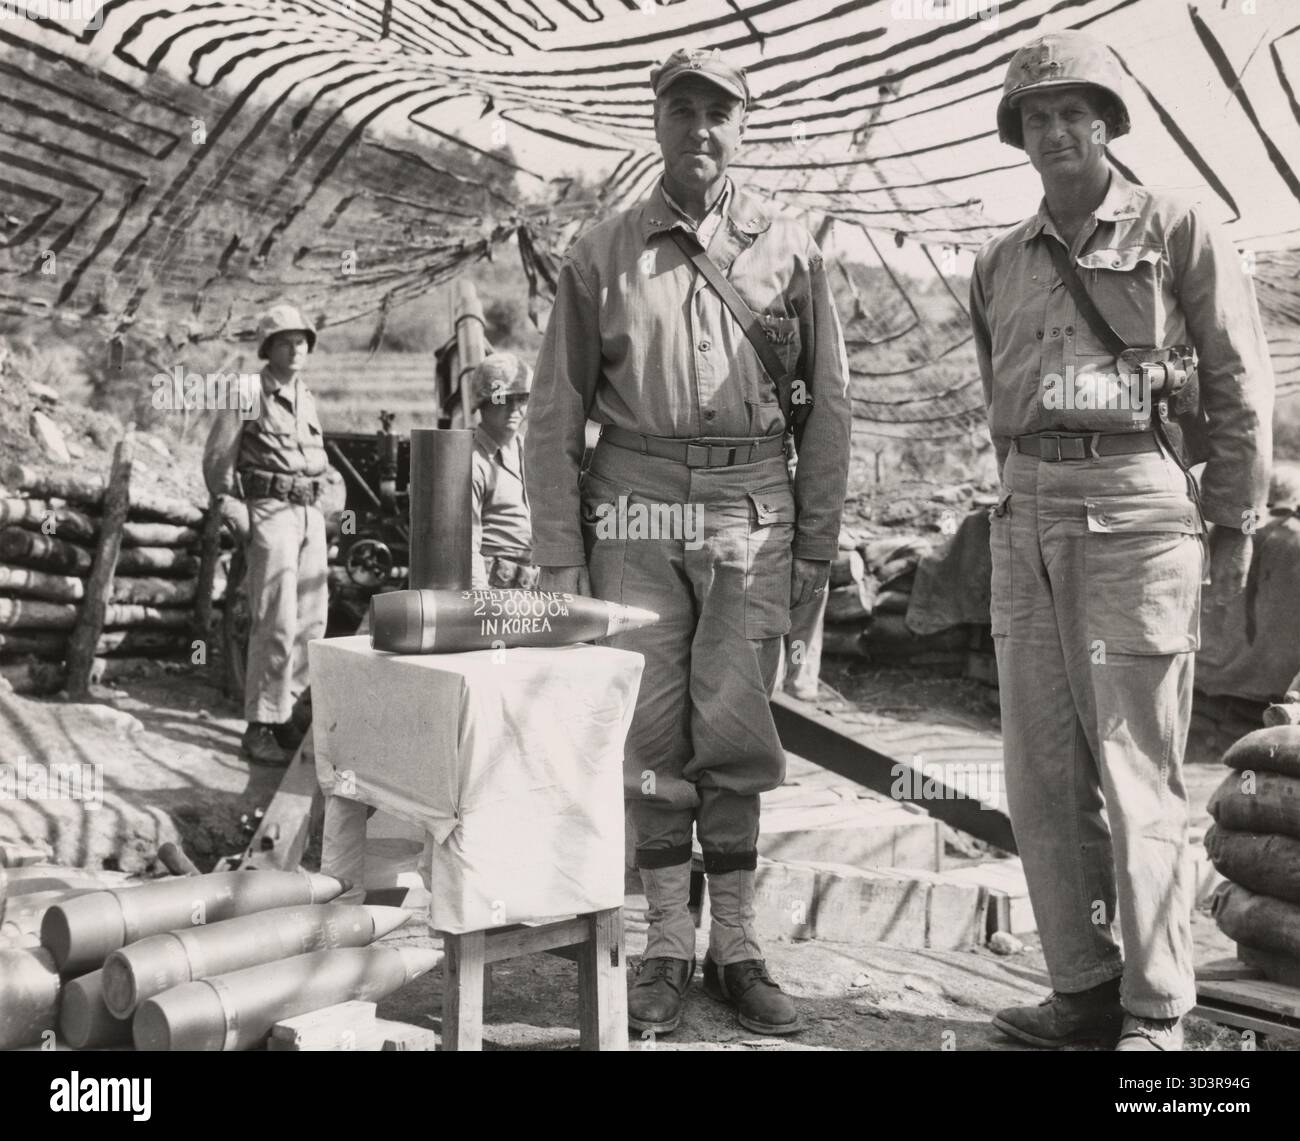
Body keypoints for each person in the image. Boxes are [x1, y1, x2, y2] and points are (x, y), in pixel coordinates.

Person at [524, 46, 852, 1036]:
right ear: (656, 121)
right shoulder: (602, 252)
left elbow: (827, 408)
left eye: (719, 112)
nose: (699, 128)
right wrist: (558, 556)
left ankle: (738, 946)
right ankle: (666, 942)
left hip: (752, 503)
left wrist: (815, 553)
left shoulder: (790, 251)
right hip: (633, 503)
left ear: (742, 126)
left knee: (739, 732)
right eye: (681, 109)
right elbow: (553, 413)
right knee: (651, 735)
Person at [970, 30, 1273, 1051]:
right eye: (1038, 116)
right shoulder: (996, 261)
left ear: (1106, 124)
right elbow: (998, 395)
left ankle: (1155, 1011)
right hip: (1026, 508)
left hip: (1134, 504)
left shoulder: (1174, 224)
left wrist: (1231, 522)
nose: (1057, 130)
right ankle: (1082, 985)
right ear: (1017, 134)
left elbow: (1234, 378)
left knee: (1134, 768)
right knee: (1037, 773)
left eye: (1075, 112)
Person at [203, 303, 332, 767]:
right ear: (268, 348)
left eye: (301, 342)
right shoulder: (246, 392)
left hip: (308, 513)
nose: (296, 349)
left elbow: (319, 457)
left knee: (311, 621)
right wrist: (233, 510)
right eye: (285, 341)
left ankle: (288, 717)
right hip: (270, 511)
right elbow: (219, 460)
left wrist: (328, 508)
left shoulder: (306, 396)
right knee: (273, 620)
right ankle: (259, 727)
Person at [468, 352, 538, 590]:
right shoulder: (473, 463)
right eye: (503, 398)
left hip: (531, 585)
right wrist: (481, 604)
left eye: (522, 399)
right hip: (492, 589)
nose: (514, 408)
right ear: (482, 404)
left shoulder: (530, 454)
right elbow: (467, 546)